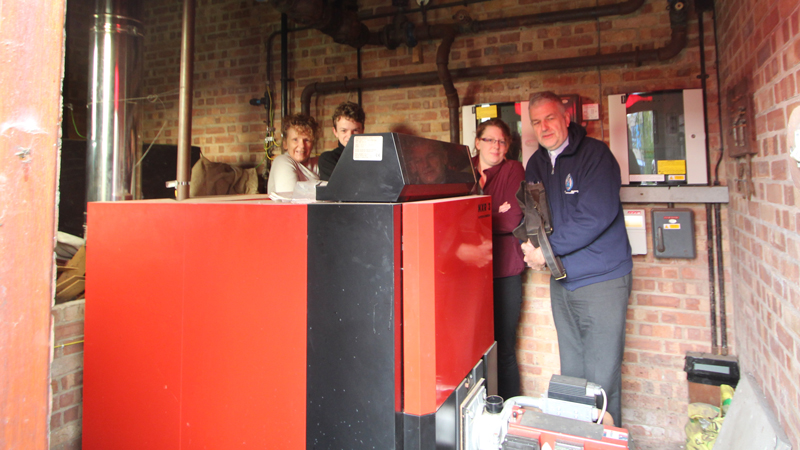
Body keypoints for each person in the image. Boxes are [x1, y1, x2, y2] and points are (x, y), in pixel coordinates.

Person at [520, 91, 633, 426]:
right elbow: (534, 216)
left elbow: (595, 215)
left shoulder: (594, 155)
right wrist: (529, 246)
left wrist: (546, 251)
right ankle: (576, 441)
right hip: (563, 281)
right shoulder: (536, 164)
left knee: (601, 377)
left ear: (566, 117)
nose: (544, 127)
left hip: (602, 281)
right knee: (571, 375)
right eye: (536, 122)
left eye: (550, 118)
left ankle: (604, 444)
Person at [473, 118, 526, 400]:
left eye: (502, 141)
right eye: (490, 139)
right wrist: (494, 210)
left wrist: (475, 216)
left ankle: (508, 412)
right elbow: (449, 219)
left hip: (503, 273)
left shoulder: (513, 169)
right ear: (478, 141)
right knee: (471, 349)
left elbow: (513, 219)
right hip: (466, 273)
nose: (496, 146)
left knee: (503, 348)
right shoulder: (462, 167)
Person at [267, 114, 320, 195]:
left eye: (307, 140)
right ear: (285, 143)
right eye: (295, 139)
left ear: (313, 143)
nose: (302, 145)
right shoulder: (282, 162)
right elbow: (290, 200)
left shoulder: (318, 163)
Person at [318, 101, 365, 181]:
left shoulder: (374, 156)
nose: (350, 136)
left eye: (355, 130)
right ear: (335, 132)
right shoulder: (328, 159)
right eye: (344, 130)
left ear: (362, 131)